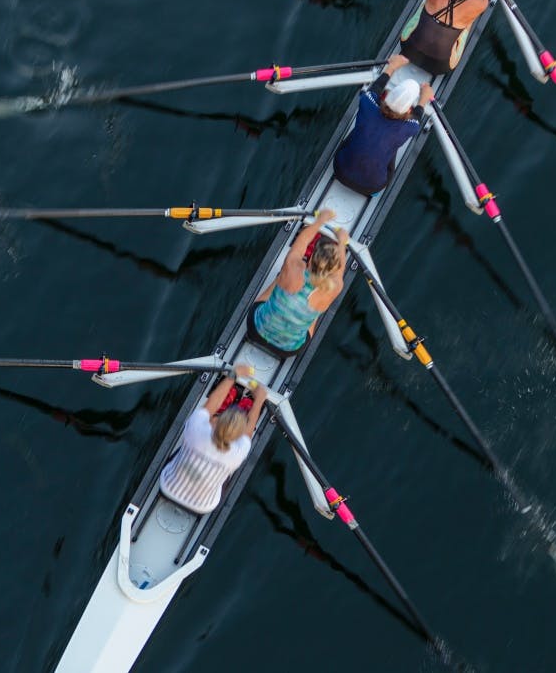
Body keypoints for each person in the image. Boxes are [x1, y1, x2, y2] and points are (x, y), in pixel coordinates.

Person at [159, 365, 268, 514]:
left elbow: (213, 403)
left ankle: (229, 397)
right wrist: (259, 400)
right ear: (238, 436)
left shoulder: (196, 427)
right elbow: (249, 428)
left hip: (167, 487)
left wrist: (233, 375)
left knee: (190, 439)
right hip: (203, 506)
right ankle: (247, 402)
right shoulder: (239, 451)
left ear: (216, 421)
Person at [248, 209, 348, 358]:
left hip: (255, 331)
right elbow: (341, 268)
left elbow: (303, 238)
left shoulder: (293, 266)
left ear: (312, 255)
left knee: (280, 277)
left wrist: (320, 220)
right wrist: (342, 242)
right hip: (288, 351)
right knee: (317, 309)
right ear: (332, 269)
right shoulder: (335, 287)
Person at [333, 54, 433, 195]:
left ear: (387, 96)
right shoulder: (411, 127)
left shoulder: (366, 102)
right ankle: (374, 192)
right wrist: (424, 97)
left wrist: (392, 66)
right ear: (409, 109)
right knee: (391, 148)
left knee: (359, 131)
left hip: (339, 170)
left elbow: (376, 87)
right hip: (372, 188)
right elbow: (417, 115)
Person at [399, 0, 494, 75]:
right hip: (441, 66)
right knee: (468, 21)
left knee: (429, 1)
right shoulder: (482, 2)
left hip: (408, 48)